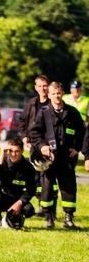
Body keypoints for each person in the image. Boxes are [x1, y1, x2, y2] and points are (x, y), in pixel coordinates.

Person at [29, 81, 85, 229]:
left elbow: (82, 132)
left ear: (63, 93)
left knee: (68, 187)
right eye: (53, 93)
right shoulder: (44, 112)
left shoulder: (72, 112)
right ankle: (49, 218)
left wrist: (77, 148)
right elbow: (34, 133)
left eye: (58, 93)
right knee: (47, 188)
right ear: (49, 95)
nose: (56, 96)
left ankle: (68, 219)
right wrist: (42, 146)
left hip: (67, 158)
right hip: (49, 158)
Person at [0, 138, 36, 230]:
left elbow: (31, 190)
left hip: (16, 198)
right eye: (11, 151)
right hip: (2, 198)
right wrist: (1, 155)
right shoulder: (1, 161)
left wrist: (20, 202)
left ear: (22, 151)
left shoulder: (28, 168)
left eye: (17, 151)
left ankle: (15, 216)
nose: (13, 154)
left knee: (29, 210)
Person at [20, 75, 51, 215]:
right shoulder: (31, 103)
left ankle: (49, 208)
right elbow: (23, 121)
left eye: (45, 86)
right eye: (40, 86)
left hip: (49, 145)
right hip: (34, 144)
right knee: (37, 177)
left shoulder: (53, 103)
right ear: (35, 87)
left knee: (49, 177)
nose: (42, 88)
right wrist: (24, 136)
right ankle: (40, 205)